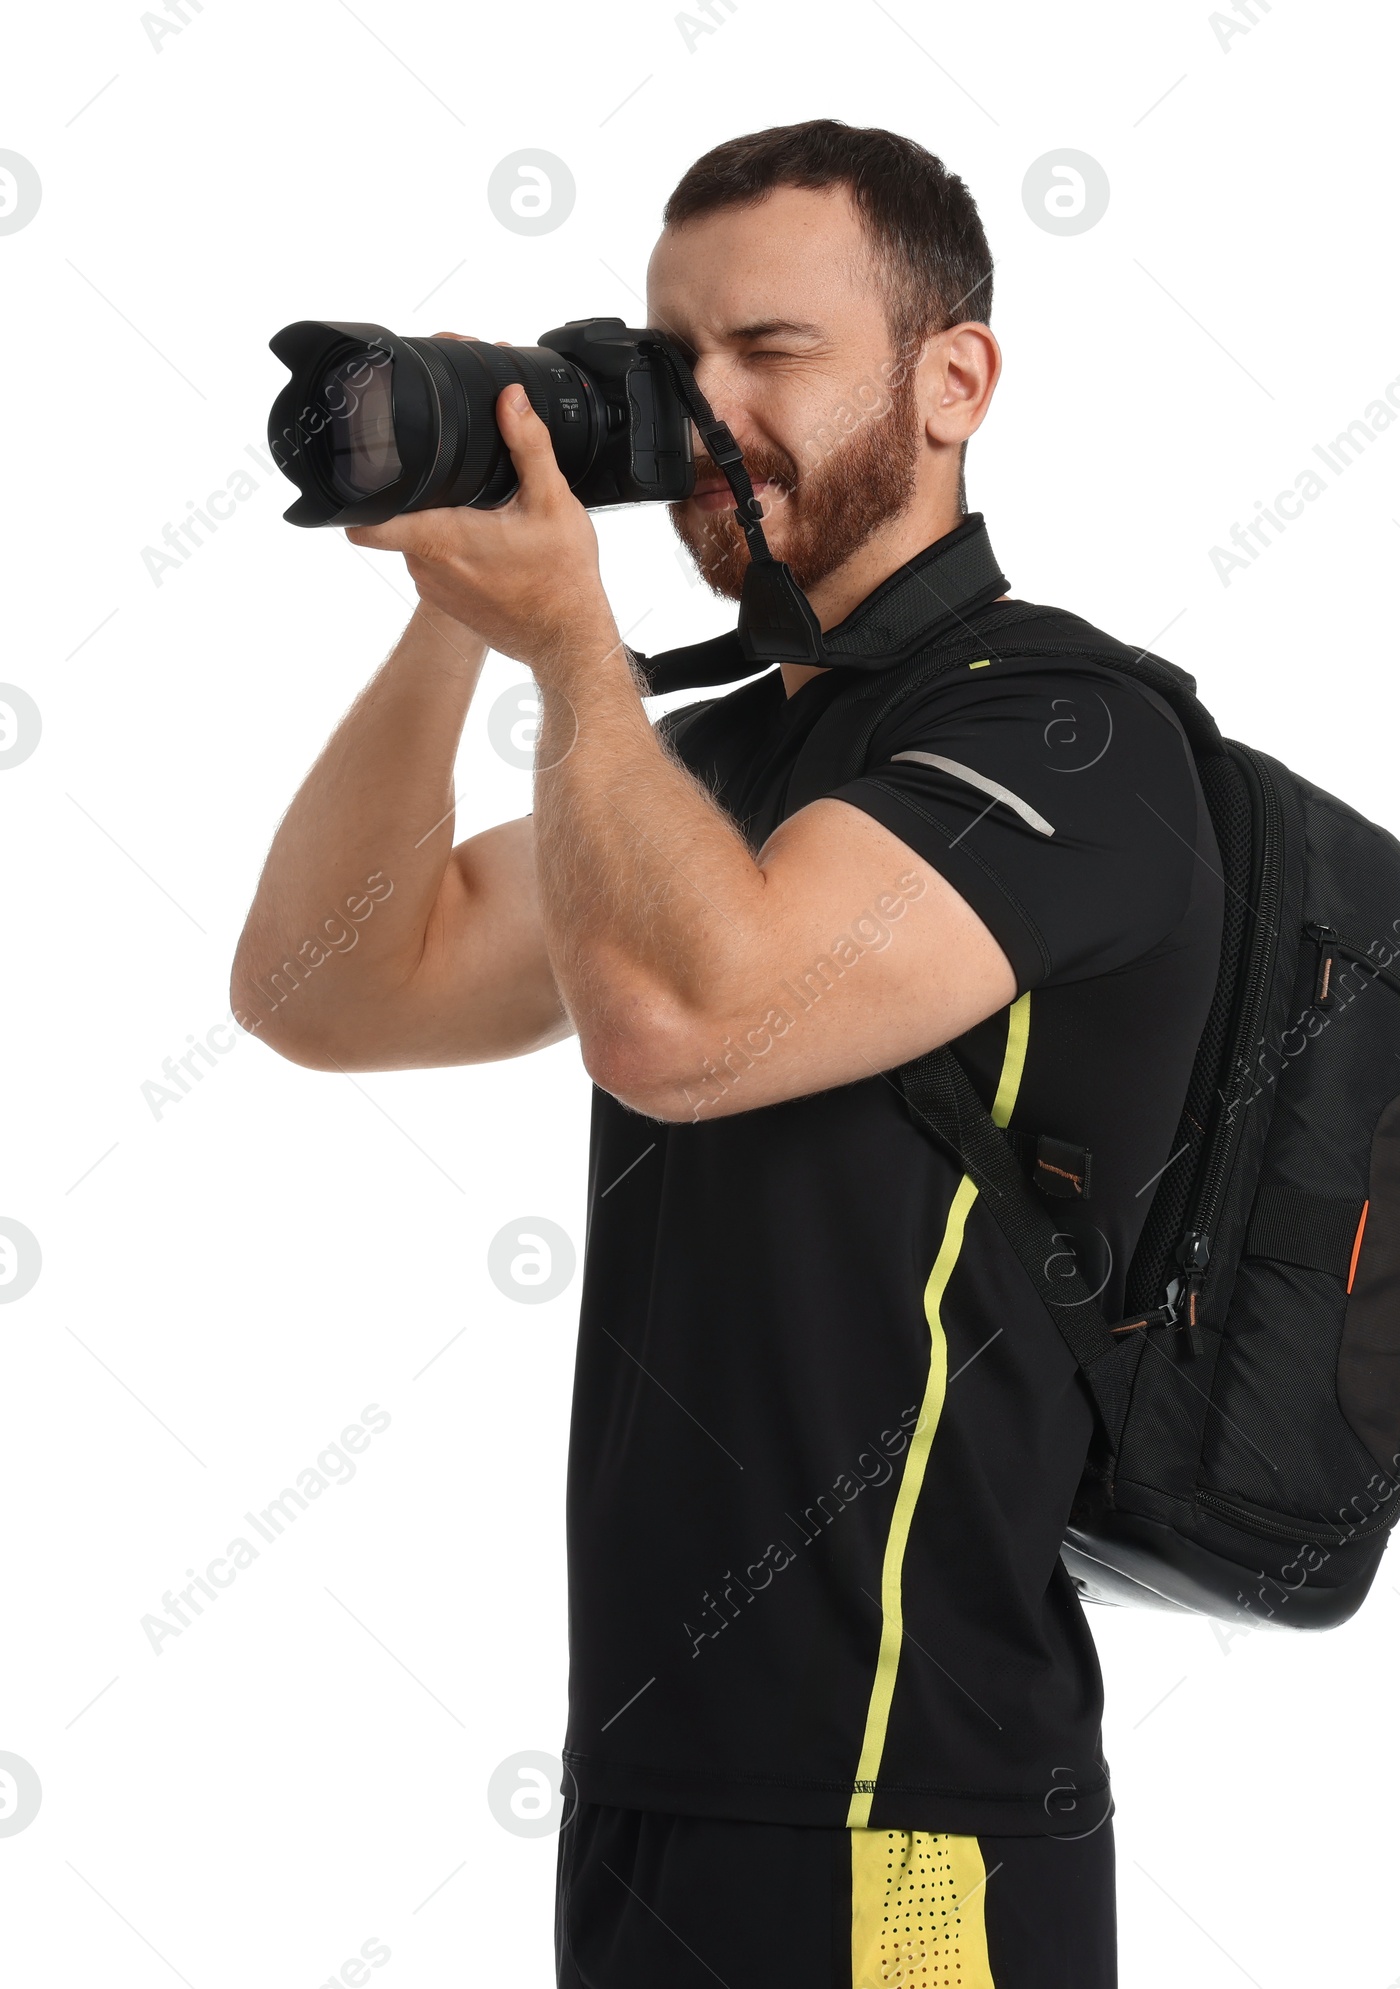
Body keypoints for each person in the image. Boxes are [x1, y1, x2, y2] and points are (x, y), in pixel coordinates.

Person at [234, 119, 1223, 1989]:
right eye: (673, 356)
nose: (704, 411)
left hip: (905, 1818)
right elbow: (325, 987)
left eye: (770, 353)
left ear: (954, 383)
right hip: (656, 1794)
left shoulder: (1069, 741)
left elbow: (686, 1023)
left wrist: (575, 654)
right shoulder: (712, 773)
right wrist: (463, 610)